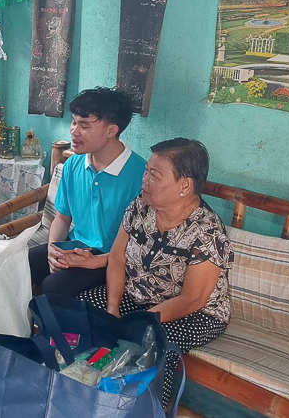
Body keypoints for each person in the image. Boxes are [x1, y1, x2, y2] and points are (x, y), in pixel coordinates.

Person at [80, 138, 234, 405]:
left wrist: (139, 321)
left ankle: (145, 408)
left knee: (153, 341)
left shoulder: (207, 231)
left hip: (196, 315)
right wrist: (114, 308)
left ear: (184, 185)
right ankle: (83, 388)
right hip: (140, 297)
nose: (144, 180)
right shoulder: (141, 206)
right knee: (86, 308)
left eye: (154, 175)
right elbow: (116, 258)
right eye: (146, 171)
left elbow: (193, 299)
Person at [28, 87, 146, 298]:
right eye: (74, 122)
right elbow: (62, 218)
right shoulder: (73, 164)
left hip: (114, 257)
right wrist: (53, 249)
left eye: (84, 125)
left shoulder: (141, 176)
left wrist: (94, 261)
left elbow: (143, 245)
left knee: (54, 286)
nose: (73, 131)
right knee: (20, 265)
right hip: (77, 246)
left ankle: (57, 331)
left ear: (111, 131)